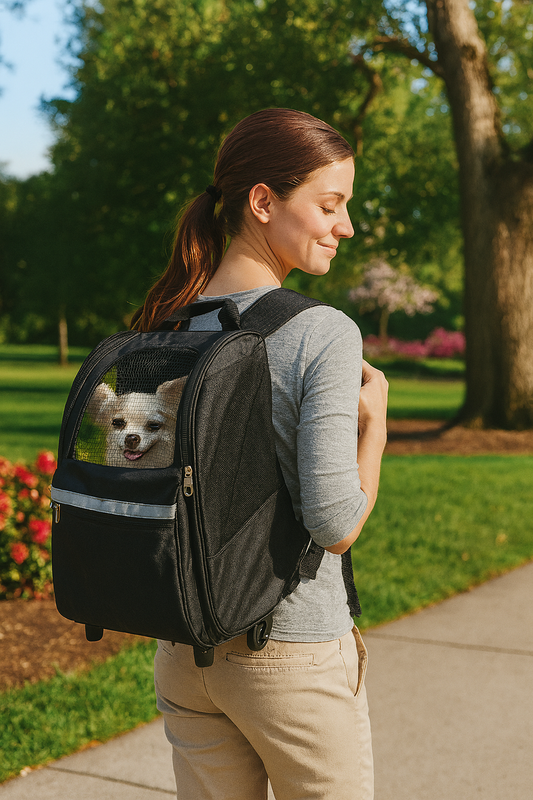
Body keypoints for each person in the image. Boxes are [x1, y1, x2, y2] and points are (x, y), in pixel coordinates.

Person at [135, 108, 388, 800]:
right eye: (329, 205)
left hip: (185, 648)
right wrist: (375, 429)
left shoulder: (170, 322)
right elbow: (335, 524)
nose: (345, 226)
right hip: (291, 655)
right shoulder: (321, 332)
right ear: (263, 201)